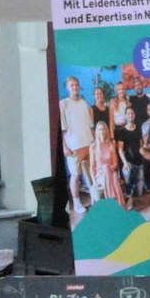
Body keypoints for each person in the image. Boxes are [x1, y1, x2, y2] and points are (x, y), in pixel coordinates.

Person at [58, 76, 94, 215]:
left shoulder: (84, 103)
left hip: (88, 143)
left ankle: (95, 199)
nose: (75, 87)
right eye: (72, 85)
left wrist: (94, 141)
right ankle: (77, 203)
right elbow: (62, 128)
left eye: (76, 85)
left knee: (92, 173)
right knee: (75, 175)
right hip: (74, 145)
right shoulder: (63, 104)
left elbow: (90, 125)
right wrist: (64, 146)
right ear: (68, 87)